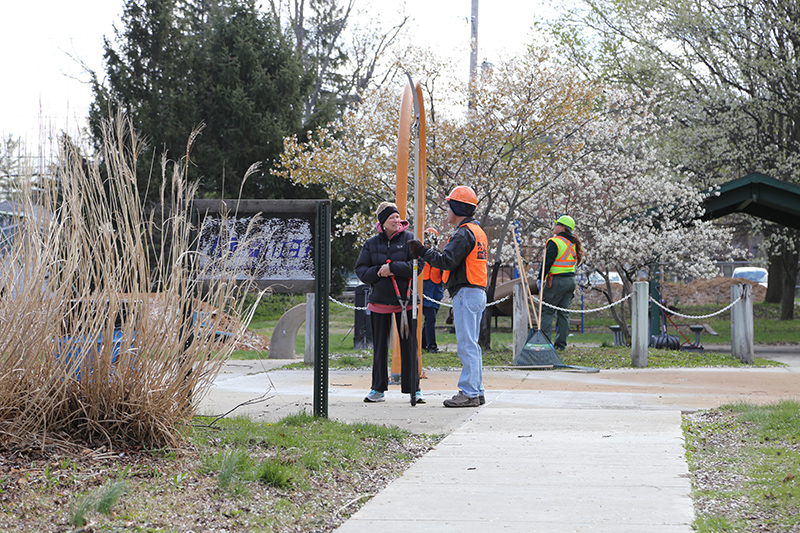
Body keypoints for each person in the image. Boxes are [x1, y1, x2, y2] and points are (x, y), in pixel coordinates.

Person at [408, 186, 488, 408]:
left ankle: (470, 392)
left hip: (466, 292)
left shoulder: (464, 233)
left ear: (457, 207)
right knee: (472, 344)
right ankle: (476, 391)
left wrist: (422, 251)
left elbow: (447, 261)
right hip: (476, 291)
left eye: (449, 206)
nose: (446, 211)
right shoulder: (477, 231)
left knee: (466, 345)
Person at [355, 201, 424, 405]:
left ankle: (414, 390)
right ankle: (377, 389)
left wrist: (392, 268)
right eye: (392, 217)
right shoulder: (371, 243)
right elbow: (360, 271)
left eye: (398, 216)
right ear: (383, 222)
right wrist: (378, 271)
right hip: (379, 302)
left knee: (410, 346)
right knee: (380, 348)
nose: (397, 220)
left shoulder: (410, 239)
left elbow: (418, 265)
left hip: (406, 303)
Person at [539, 214, 584, 351]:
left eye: (557, 224)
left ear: (563, 228)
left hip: (556, 281)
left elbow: (547, 262)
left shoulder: (555, 242)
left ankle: (545, 344)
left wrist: (540, 278)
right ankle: (560, 345)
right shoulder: (572, 243)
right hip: (570, 281)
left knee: (547, 312)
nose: (555, 226)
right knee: (563, 313)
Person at [421, 261, 444, 353]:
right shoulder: (420, 258)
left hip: (436, 293)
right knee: (431, 318)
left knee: (429, 320)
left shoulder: (438, 258)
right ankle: (432, 346)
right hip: (424, 292)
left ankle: (422, 344)